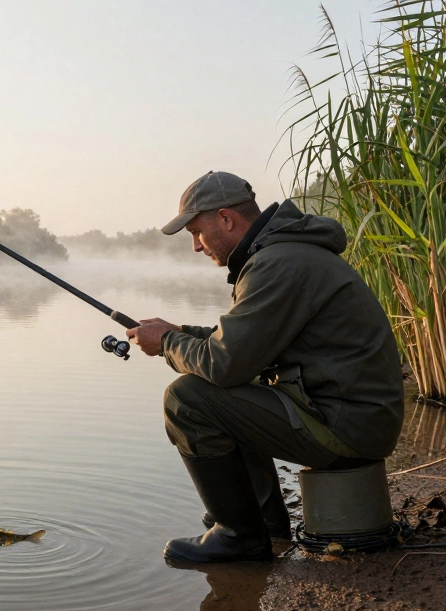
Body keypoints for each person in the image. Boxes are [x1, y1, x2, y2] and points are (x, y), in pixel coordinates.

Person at [125, 171, 404, 563]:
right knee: (223, 387)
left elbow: (224, 365)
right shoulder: (283, 253)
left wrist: (167, 343)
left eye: (196, 232)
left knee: (187, 400)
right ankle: (263, 522)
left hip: (350, 429)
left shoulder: (276, 263)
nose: (194, 246)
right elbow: (244, 346)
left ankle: (240, 536)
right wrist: (180, 331)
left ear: (225, 218)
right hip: (355, 416)